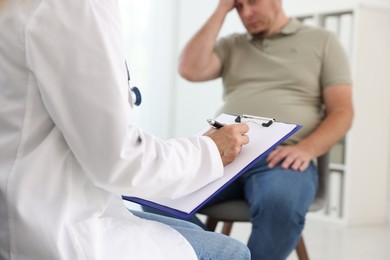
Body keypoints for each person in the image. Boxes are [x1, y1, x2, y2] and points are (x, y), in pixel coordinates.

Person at [0, 0, 252, 259]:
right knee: (231, 252)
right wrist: (209, 150)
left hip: (36, 204)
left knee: (190, 229)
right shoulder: (76, 6)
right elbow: (119, 159)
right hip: (51, 226)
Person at [147, 0, 353, 259]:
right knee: (155, 193)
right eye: (239, 6)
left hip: (282, 157)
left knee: (281, 204)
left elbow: (342, 111)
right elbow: (190, 69)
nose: (246, 13)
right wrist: (222, 9)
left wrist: (307, 149)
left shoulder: (322, 40)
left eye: (252, 2)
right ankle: (219, 254)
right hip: (225, 151)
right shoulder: (233, 45)